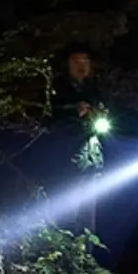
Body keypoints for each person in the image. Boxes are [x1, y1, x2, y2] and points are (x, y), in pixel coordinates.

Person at [43, 45, 111, 234]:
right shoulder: (57, 89)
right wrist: (74, 110)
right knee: (67, 216)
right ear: (68, 65)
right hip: (67, 162)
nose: (81, 67)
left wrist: (99, 113)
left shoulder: (93, 90)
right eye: (76, 63)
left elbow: (105, 118)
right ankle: (63, 258)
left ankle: (85, 260)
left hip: (91, 160)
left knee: (88, 219)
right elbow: (48, 118)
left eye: (85, 63)